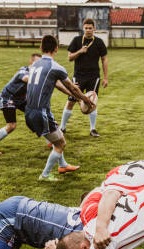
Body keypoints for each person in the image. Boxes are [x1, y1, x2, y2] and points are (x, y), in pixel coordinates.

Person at [24, 35, 95, 181]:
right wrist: (85, 99)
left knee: (58, 136)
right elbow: (72, 87)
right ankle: (44, 175)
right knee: (61, 143)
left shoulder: (35, 65)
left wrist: (73, 95)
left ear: (40, 48)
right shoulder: (56, 67)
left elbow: (57, 84)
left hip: (29, 111)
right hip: (40, 113)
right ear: (57, 48)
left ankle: (62, 165)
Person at [59, 18, 108, 138]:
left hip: (93, 76)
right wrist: (80, 51)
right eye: (86, 28)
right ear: (83, 28)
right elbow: (70, 58)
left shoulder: (99, 42)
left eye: (90, 28)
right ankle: (62, 127)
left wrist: (105, 77)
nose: (88, 30)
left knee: (92, 102)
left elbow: (104, 60)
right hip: (79, 76)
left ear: (94, 28)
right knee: (71, 101)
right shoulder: (76, 40)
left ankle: (93, 129)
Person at [0, 53, 41, 155]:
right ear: (31, 63)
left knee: (37, 114)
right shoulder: (23, 70)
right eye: (36, 63)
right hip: (8, 97)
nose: (38, 65)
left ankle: (51, 140)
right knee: (11, 125)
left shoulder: (37, 74)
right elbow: (26, 78)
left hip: (20, 99)